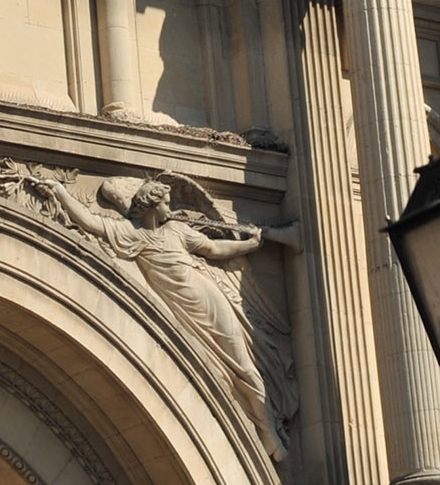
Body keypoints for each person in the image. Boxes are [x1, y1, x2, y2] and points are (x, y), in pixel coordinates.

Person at [33, 176, 292, 462]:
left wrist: (249, 246)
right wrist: (60, 191)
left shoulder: (177, 231)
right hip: (185, 311)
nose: (170, 208)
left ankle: (268, 429)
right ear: (151, 206)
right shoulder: (132, 235)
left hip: (209, 300)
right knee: (226, 370)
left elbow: (214, 249)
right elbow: (91, 223)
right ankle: (260, 425)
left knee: (244, 365)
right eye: (166, 203)